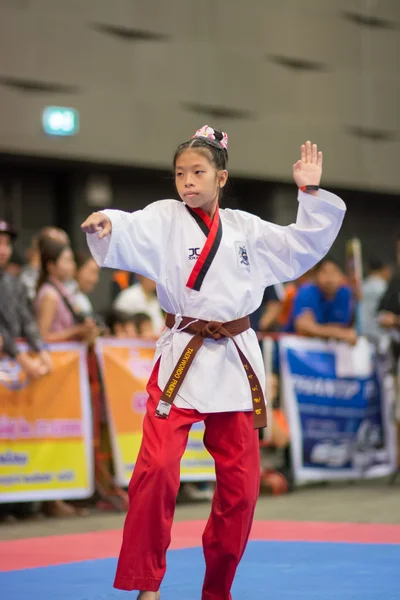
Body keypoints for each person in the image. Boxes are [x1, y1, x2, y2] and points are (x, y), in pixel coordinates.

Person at [81, 128, 346, 600]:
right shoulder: (165, 218)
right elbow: (130, 225)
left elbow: (301, 244)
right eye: (180, 173)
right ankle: (147, 584)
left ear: (221, 177)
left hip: (235, 361)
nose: (187, 181)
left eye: (198, 172)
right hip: (183, 355)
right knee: (157, 468)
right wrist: (106, 222)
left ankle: (217, 589)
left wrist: (308, 191)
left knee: (242, 490)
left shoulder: (246, 228)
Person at [0, 220, 51, 379]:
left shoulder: (14, 283)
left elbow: (27, 319)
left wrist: (41, 349)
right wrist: (21, 357)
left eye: (7, 244)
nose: (3, 250)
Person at [287, 257, 357, 345]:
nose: (329, 279)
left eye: (334, 272)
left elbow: (346, 327)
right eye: (324, 272)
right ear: (315, 276)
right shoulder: (306, 292)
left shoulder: (346, 293)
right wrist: (339, 333)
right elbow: (303, 326)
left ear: (342, 276)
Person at [359, 259, 392, 344]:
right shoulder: (387, 289)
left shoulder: (361, 287)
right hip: (381, 334)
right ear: (384, 269)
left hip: (363, 333)